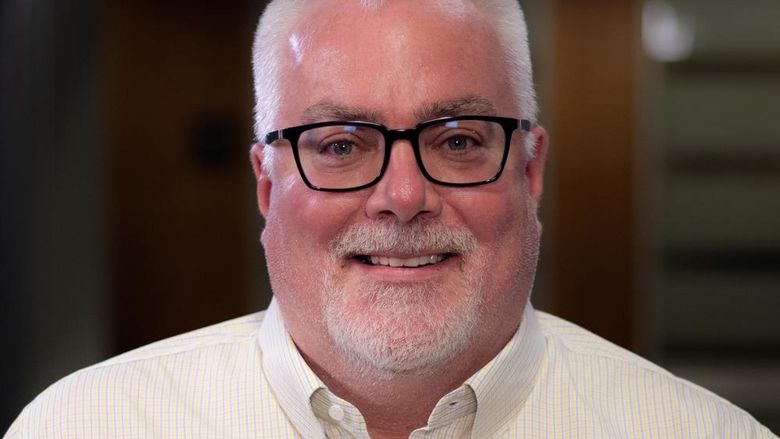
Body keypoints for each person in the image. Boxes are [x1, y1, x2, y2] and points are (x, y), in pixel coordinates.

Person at [5, 1, 776, 438]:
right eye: (340, 143)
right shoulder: (84, 427)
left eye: (459, 140)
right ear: (267, 187)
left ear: (531, 169)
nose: (403, 196)